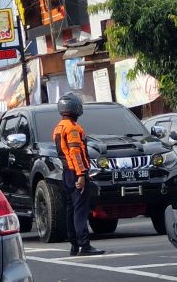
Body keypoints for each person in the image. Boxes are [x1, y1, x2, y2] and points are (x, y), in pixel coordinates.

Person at [52, 92, 104, 257]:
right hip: (75, 173)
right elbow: (75, 153)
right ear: (75, 107)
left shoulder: (58, 127)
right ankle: (84, 245)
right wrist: (81, 174)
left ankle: (74, 245)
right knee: (80, 211)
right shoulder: (73, 128)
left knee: (71, 209)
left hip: (67, 173)